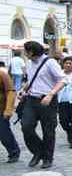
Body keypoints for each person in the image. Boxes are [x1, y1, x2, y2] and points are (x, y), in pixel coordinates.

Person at [18, 41, 65, 169]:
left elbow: (62, 80)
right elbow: (32, 80)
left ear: (31, 52)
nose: (24, 53)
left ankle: (48, 158)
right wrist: (23, 90)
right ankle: (38, 152)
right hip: (32, 100)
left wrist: (50, 94)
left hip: (47, 101)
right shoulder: (29, 63)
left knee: (48, 131)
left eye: (25, 51)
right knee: (26, 126)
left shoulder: (50, 63)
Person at [0, 68, 19, 163]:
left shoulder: (2, 74)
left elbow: (10, 91)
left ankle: (14, 152)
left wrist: (8, 110)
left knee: (4, 134)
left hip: (1, 111)